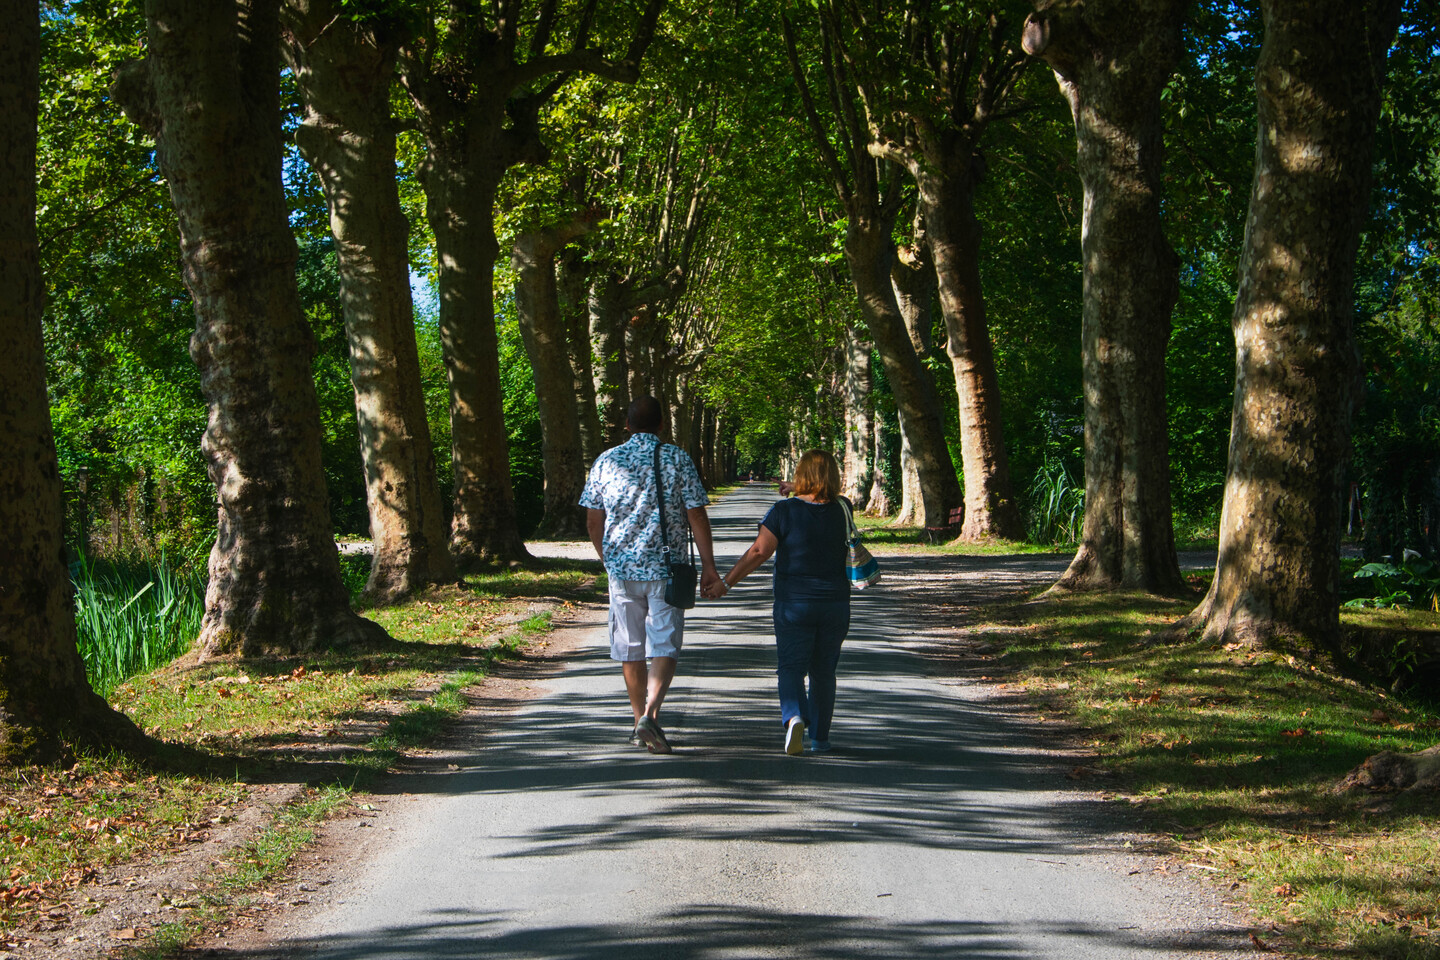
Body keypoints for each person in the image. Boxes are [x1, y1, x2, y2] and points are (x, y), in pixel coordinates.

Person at [580, 396, 720, 753]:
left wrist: (607, 558)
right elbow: (697, 515)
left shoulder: (605, 461)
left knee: (629, 646)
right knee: (664, 643)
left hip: (622, 569)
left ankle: (636, 715)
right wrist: (708, 566)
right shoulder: (676, 458)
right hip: (666, 568)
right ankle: (652, 716)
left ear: (626, 425)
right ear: (662, 425)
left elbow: (593, 519)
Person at [705, 450, 850, 756]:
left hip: (794, 603)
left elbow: (759, 552)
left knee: (791, 667)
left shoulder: (783, 513)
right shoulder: (844, 508)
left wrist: (726, 582)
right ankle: (820, 739)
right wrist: (797, 488)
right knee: (824, 671)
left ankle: (795, 716)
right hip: (835, 603)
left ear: (802, 476)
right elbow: (817, 503)